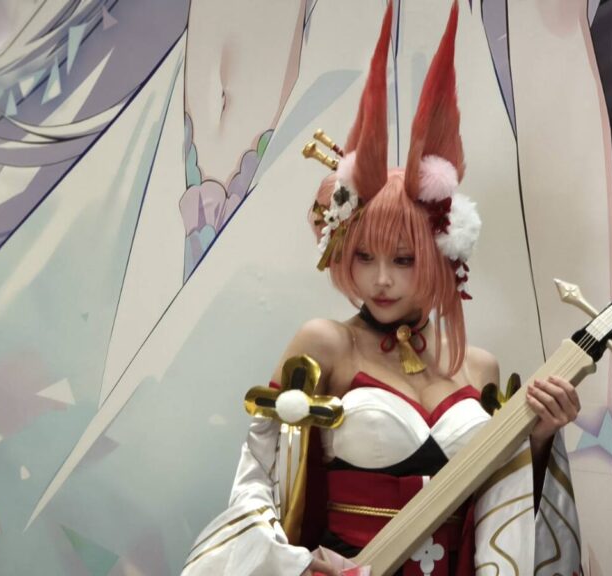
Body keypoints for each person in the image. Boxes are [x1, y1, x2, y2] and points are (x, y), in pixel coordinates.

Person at [181, 3, 584, 574]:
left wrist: (539, 438)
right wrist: (296, 565)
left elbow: (500, 515)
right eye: (364, 257)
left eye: (404, 259)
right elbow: (259, 480)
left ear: (442, 255)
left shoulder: (481, 368)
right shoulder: (325, 344)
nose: (381, 279)